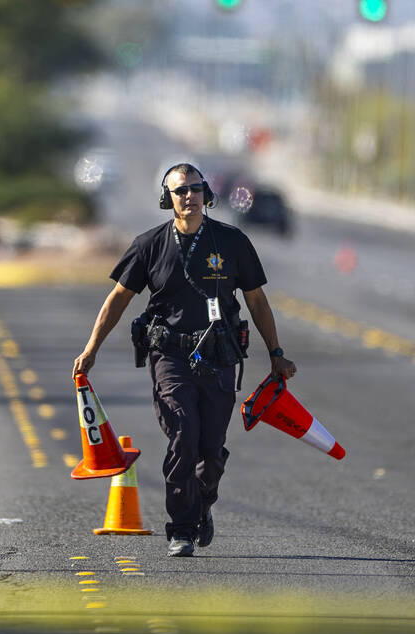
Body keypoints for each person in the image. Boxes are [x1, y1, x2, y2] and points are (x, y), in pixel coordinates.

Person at [72, 163, 296, 558]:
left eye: (195, 189)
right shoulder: (149, 245)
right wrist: (91, 349)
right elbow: (118, 299)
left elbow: (257, 300)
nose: (188, 197)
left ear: (207, 194)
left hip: (220, 355)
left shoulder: (232, 242)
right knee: (182, 433)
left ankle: (203, 503)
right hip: (170, 356)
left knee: (210, 451)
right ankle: (181, 528)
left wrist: (276, 354)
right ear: (167, 199)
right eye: (180, 191)